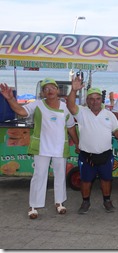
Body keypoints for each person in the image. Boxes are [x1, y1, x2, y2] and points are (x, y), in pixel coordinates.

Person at [0, 78, 79, 219]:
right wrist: (10, 99)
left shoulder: (65, 107)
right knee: (39, 176)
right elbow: (21, 111)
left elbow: (71, 127)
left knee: (60, 176)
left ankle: (59, 203)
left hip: (60, 148)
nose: (49, 91)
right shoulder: (37, 105)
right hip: (42, 148)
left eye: (52, 88)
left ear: (58, 90)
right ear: (42, 93)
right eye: (46, 89)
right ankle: (33, 206)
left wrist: (77, 143)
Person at [67, 78, 118, 214]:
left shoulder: (109, 115)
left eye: (97, 98)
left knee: (106, 180)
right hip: (86, 155)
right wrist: (73, 90)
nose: (94, 101)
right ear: (87, 101)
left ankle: (107, 201)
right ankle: (85, 202)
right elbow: (70, 105)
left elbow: (117, 130)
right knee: (85, 180)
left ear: (102, 99)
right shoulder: (82, 112)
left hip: (105, 155)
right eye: (91, 99)